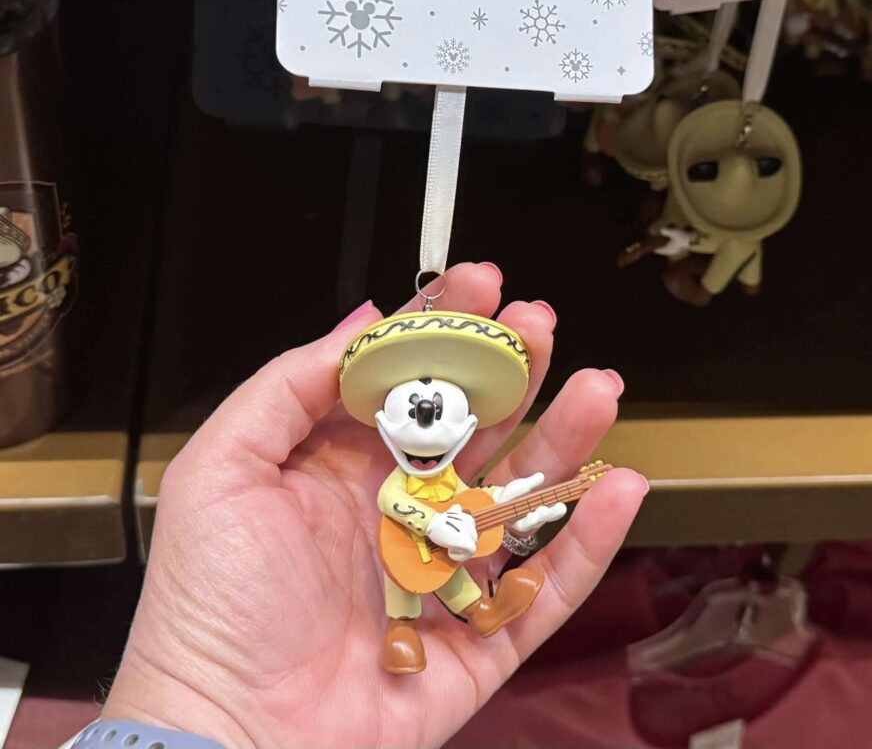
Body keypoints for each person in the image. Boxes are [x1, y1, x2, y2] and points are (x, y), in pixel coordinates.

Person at [89, 263, 647, 749]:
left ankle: (486, 613)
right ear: (382, 424)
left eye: (441, 418)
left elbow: (479, 506)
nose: (425, 433)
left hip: (446, 554)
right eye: (411, 416)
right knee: (403, 573)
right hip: (405, 551)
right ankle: (401, 631)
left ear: (469, 427)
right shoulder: (397, 483)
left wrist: (519, 508)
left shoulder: (455, 482)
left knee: (452, 577)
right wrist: (202, 697)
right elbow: (393, 502)